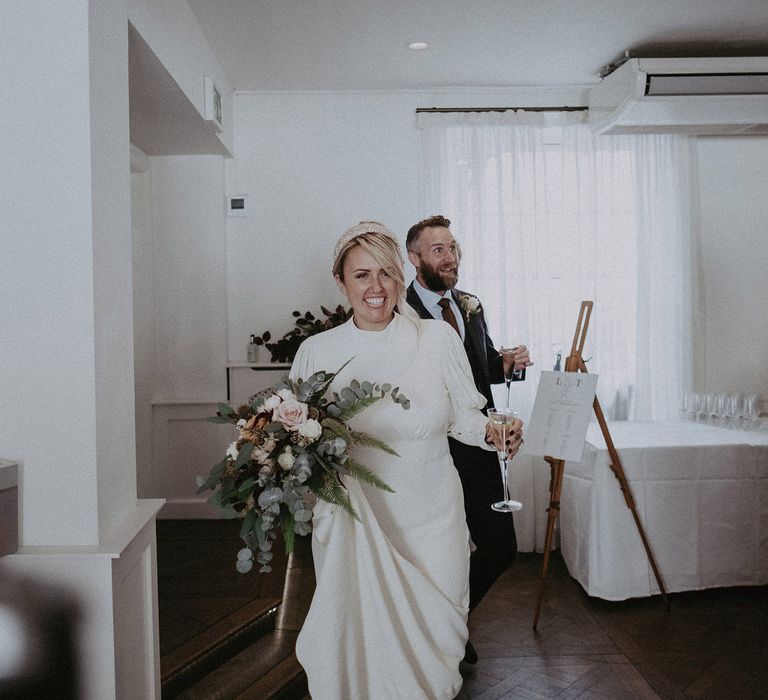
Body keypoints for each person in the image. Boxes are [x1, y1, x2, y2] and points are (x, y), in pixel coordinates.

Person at [289, 221, 523, 700]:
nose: (376, 289)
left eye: (386, 274)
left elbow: (464, 419)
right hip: (355, 524)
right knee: (358, 645)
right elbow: (295, 441)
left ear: (400, 277)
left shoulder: (436, 339)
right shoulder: (317, 352)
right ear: (340, 281)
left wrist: (496, 433)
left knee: (437, 656)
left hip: (432, 522)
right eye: (361, 276)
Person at [405, 215, 532, 633]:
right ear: (414, 258)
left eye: (454, 248)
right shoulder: (397, 313)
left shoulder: (470, 304)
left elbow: (483, 368)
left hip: (478, 444)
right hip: (428, 452)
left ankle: (450, 623)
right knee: (439, 551)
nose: (450, 257)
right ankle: (435, 638)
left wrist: (507, 363)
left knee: (500, 546)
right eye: (438, 249)